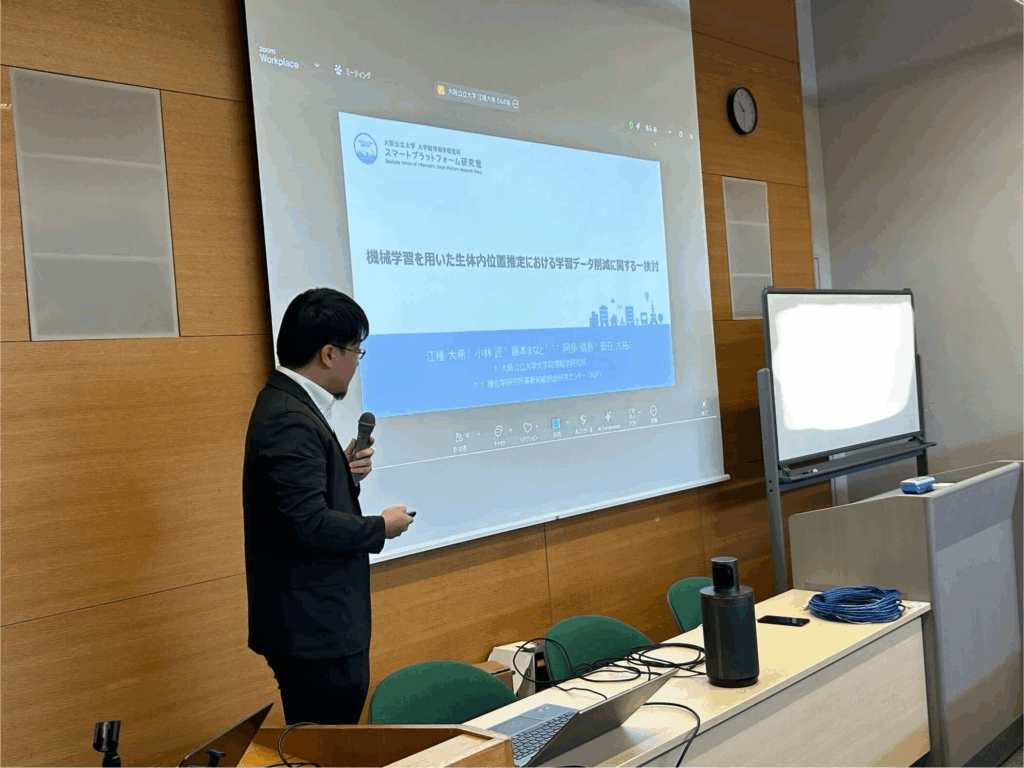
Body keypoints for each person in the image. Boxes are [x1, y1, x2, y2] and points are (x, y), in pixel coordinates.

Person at [242, 287, 414, 724]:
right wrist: (380, 527)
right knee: (328, 744)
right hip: (314, 631)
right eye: (356, 351)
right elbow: (306, 522)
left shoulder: (289, 403)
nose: (357, 363)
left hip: (314, 624)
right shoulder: (289, 416)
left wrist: (342, 472)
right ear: (328, 354)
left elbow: (295, 503)